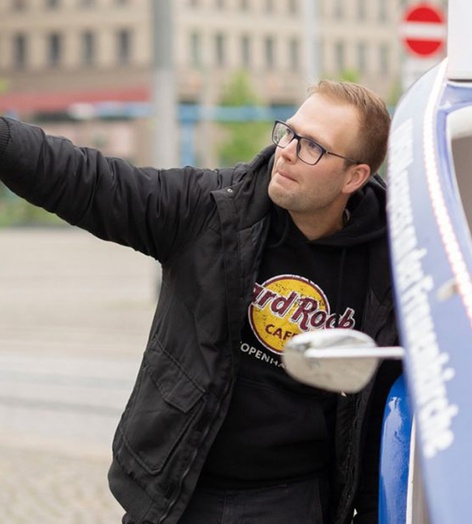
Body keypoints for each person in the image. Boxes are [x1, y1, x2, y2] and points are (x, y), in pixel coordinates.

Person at [0, 80, 399, 524]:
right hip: (181, 488)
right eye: (289, 132)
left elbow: (384, 413)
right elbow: (90, 182)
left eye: (313, 147)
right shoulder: (211, 211)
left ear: (355, 176)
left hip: (292, 501)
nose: (287, 150)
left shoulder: (389, 267)